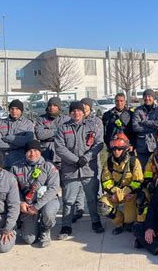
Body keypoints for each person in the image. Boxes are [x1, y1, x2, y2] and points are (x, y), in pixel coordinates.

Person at [55, 101, 105, 239]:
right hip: (70, 170)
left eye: (79, 111)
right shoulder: (63, 128)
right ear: (69, 113)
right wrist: (76, 160)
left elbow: (99, 144)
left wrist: (86, 158)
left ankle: (96, 221)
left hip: (88, 169)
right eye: (73, 111)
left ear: (84, 112)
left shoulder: (91, 126)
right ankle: (66, 226)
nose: (76, 113)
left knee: (91, 199)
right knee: (68, 200)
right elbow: (60, 148)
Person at [11, 140, 60, 248]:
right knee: (29, 240)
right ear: (25, 153)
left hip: (47, 200)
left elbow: (53, 189)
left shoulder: (48, 166)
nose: (32, 154)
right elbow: (13, 189)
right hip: (28, 202)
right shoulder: (15, 167)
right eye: (29, 151)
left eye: (35, 150)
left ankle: (45, 229)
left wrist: (37, 206)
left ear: (40, 152)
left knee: (49, 211)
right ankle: (31, 225)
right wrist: (21, 202)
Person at [98, 133, 143, 235]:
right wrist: (114, 193)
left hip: (130, 195)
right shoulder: (109, 162)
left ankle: (128, 222)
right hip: (115, 194)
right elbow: (106, 181)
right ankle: (119, 221)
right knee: (102, 206)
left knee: (129, 225)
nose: (116, 151)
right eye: (114, 149)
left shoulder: (133, 161)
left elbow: (138, 181)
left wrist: (127, 192)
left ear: (125, 149)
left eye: (119, 149)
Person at [0, 99, 34, 169]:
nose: (14, 111)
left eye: (17, 109)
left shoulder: (28, 124)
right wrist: (17, 145)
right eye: (12, 109)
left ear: (21, 110)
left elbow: (28, 141)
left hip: (20, 163)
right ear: (9, 110)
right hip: (2, 161)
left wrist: (7, 138)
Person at [132, 89, 158, 168]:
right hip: (142, 147)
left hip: (156, 146)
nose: (147, 98)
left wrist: (144, 122)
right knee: (143, 170)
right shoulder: (138, 111)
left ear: (153, 98)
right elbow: (135, 127)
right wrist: (153, 128)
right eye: (145, 96)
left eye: (149, 96)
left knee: (157, 169)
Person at [34, 97, 71, 166]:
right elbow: (40, 135)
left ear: (59, 107)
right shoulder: (41, 119)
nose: (52, 107)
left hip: (61, 155)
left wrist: (48, 132)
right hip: (45, 153)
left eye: (55, 105)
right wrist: (57, 131)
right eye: (50, 105)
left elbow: (68, 136)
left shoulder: (66, 120)